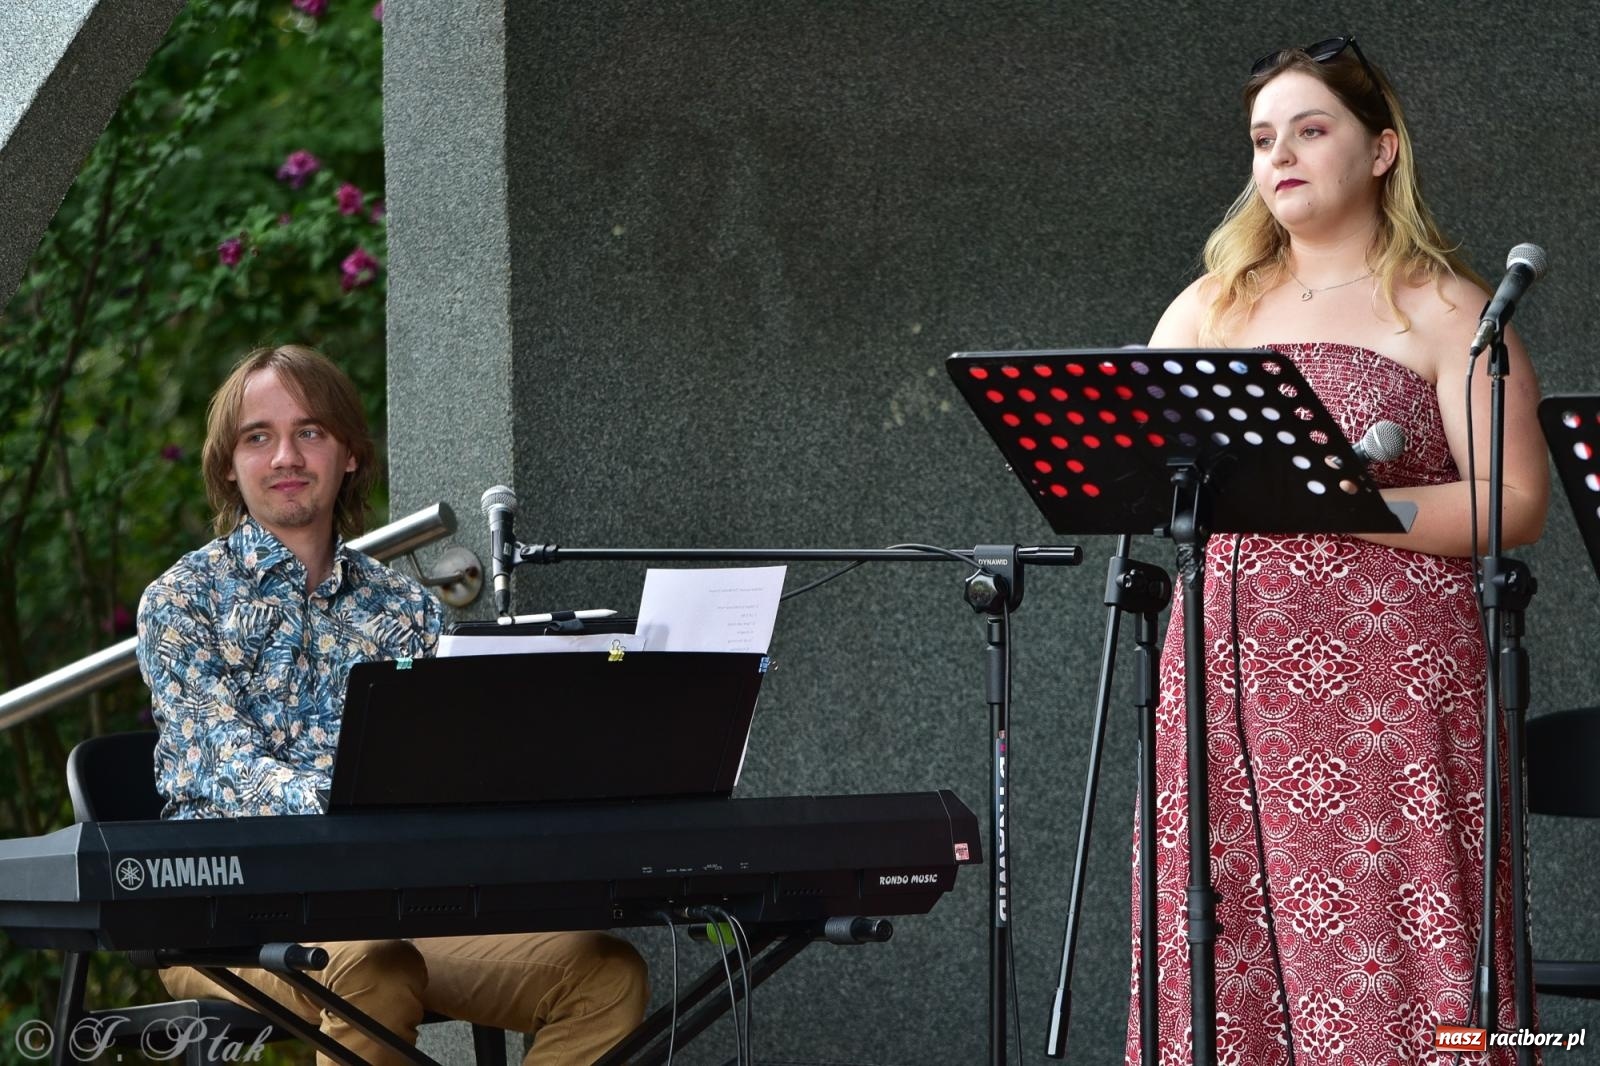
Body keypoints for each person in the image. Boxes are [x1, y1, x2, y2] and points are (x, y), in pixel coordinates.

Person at [1129, 37, 1549, 1065]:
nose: (1281, 154)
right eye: (1263, 137)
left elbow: (1518, 499)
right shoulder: (1206, 307)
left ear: (1379, 151)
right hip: (1227, 677)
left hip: (1390, 683)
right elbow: (1138, 465)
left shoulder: (1445, 306)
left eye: (1311, 129)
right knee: (1220, 928)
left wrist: (1349, 507)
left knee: (1401, 923)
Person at [135, 344, 649, 1065]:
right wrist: (367, 809)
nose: (286, 455)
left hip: (394, 906)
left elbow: (459, 759)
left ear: (348, 453)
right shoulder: (181, 601)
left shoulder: (405, 605)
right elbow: (229, 768)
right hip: (231, 918)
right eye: (259, 436)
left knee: (604, 976)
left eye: (310, 431)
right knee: (372, 968)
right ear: (229, 463)